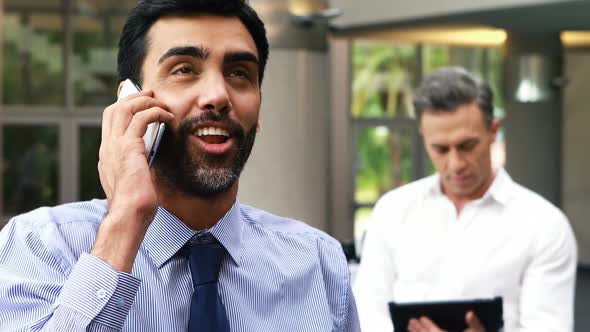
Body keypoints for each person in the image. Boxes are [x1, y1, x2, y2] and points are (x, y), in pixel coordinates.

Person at [0, 1, 360, 331]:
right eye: (184, 69)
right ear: (130, 101)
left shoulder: (318, 264)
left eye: (239, 73)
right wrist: (124, 224)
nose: (218, 95)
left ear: (259, 107)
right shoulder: (40, 246)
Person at [353, 67, 577, 332]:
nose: (456, 163)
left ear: (493, 131)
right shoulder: (393, 210)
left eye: (467, 146)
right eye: (440, 149)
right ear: (424, 138)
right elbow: (367, 315)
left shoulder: (543, 225)